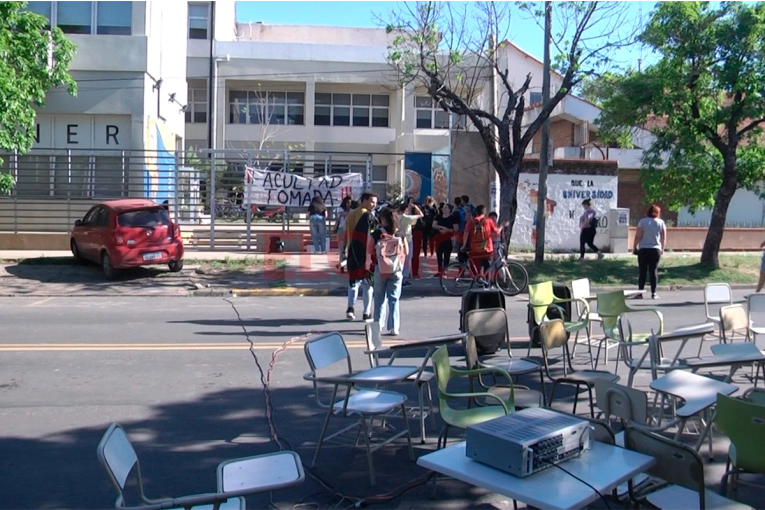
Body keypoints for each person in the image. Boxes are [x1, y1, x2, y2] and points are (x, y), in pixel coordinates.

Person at [372, 207, 408, 336]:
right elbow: (406, 252)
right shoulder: (399, 233)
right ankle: (394, 328)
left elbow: (369, 248)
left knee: (379, 299)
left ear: (382, 218)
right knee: (394, 299)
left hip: (381, 268)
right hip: (397, 269)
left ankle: (378, 325)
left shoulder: (378, 233)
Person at [345, 192, 378, 320]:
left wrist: (344, 250)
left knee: (353, 282)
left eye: (375, 202)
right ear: (363, 200)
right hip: (366, 254)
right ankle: (366, 312)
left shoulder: (351, 214)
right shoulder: (368, 215)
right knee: (368, 284)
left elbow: (345, 232)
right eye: (372, 201)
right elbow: (373, 234)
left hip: (352, 250)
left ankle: (350, 308)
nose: (374, 205)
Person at [633, 204, 667, 300]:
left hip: (643, 249)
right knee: (653, 271)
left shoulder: (642, 222)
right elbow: (663, 237)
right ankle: (654, 293)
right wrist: (662, 249)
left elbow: (638, 236)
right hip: (655, 249)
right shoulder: (661, 223)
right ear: (658, 213)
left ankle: (640, 293)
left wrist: (634, 246)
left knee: (642, 271)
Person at [461, 205, 501, 277]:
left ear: (476, 212)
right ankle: (485, 281)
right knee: (487, 264)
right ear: (484, 212)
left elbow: (465, 234)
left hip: (474, 248)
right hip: (487, 248)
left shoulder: (471, 222)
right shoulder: (488, 221)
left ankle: (477, 279)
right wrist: (502, 226)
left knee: (476, 264)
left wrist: (464, 245)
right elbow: (497, 232)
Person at [395, 200, 423, 283]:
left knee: (398, 258)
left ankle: (398, 275)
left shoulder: (395, 216)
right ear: (406, 209)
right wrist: (416, 207)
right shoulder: (407, 218)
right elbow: (421, 215)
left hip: (397, 238)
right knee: (407, 258)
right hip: (407, 240)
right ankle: (404, 278)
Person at [432, 203, 458, 275]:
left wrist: (447, 230)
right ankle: (439, 270)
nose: (444, 209)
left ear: (450, 210)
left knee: (447, 255)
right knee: (439, 255)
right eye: (443, 207)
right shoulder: (438, 216)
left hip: (448, 238)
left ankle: (445, 270)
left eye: (446, 208)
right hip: (439, 238)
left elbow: (456, 228)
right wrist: (442, 228)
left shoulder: (453, 218)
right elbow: (434, 225)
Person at [334, 195, 353, 272]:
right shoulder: (340, 209)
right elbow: (344, 214)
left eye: (350, 203)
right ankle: (342, 265)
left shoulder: (352, 210)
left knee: (350, 248)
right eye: (348, 202)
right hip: (342, 229)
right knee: (342, 248)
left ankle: (347, 265)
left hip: (350, 229)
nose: (349, 204)